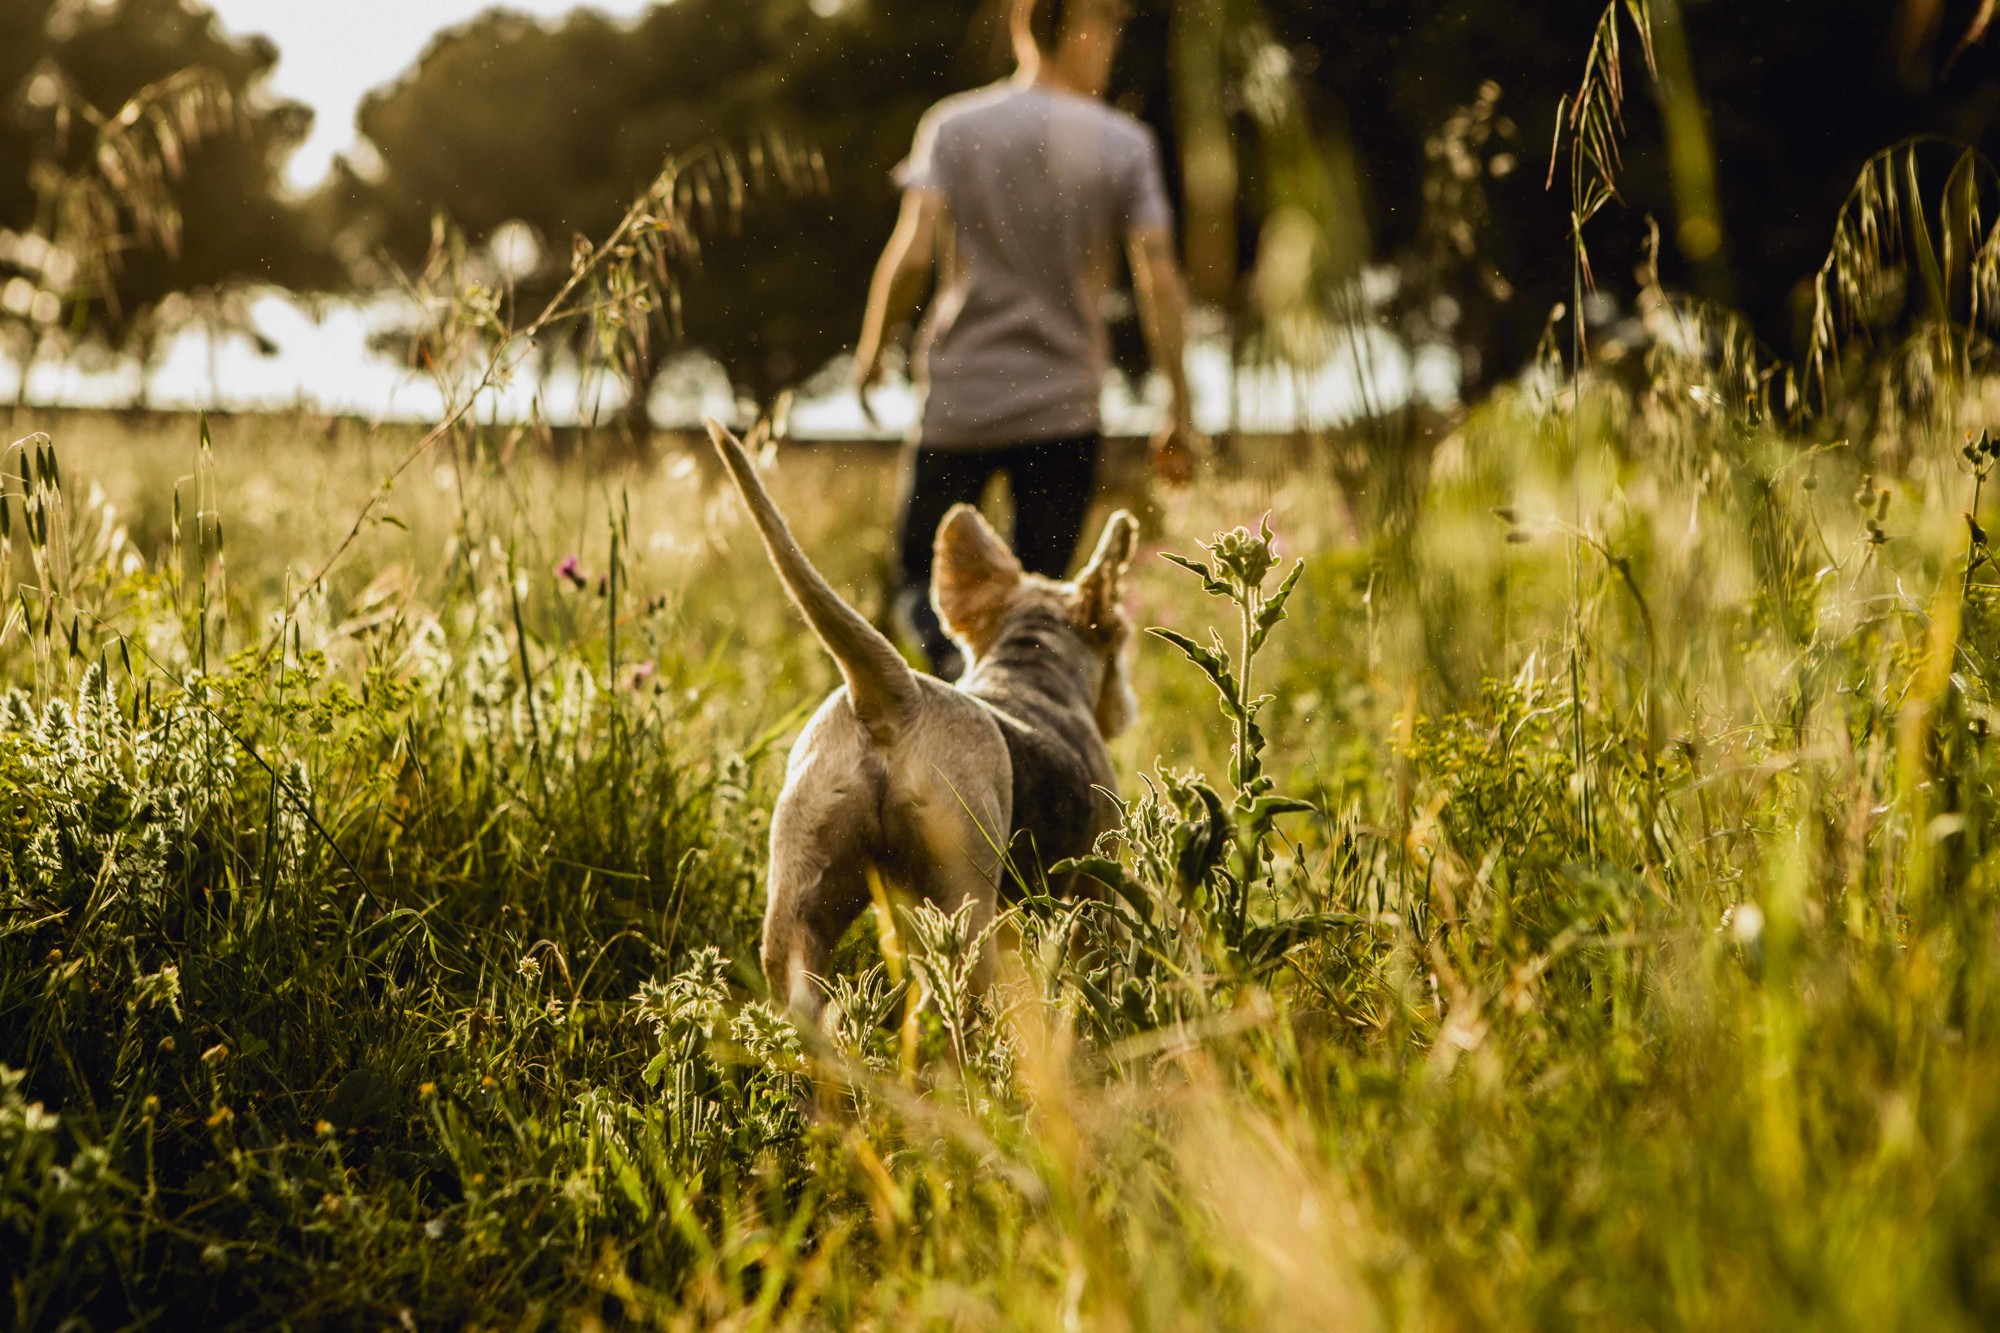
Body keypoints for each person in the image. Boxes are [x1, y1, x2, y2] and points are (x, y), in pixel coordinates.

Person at [853, 0, 1196, 680]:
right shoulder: (1124, 143)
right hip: (1063, 411)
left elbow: (913, 256)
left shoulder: (952, 128)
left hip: (960, 403)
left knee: (919, 581)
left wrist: (870, 354)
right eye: (1103, 25)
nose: (1112, 43)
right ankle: (1006, 710)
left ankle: (956, 674)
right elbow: (1157, 278)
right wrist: (1179, 407)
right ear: (1049, 26)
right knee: (1036, 606)